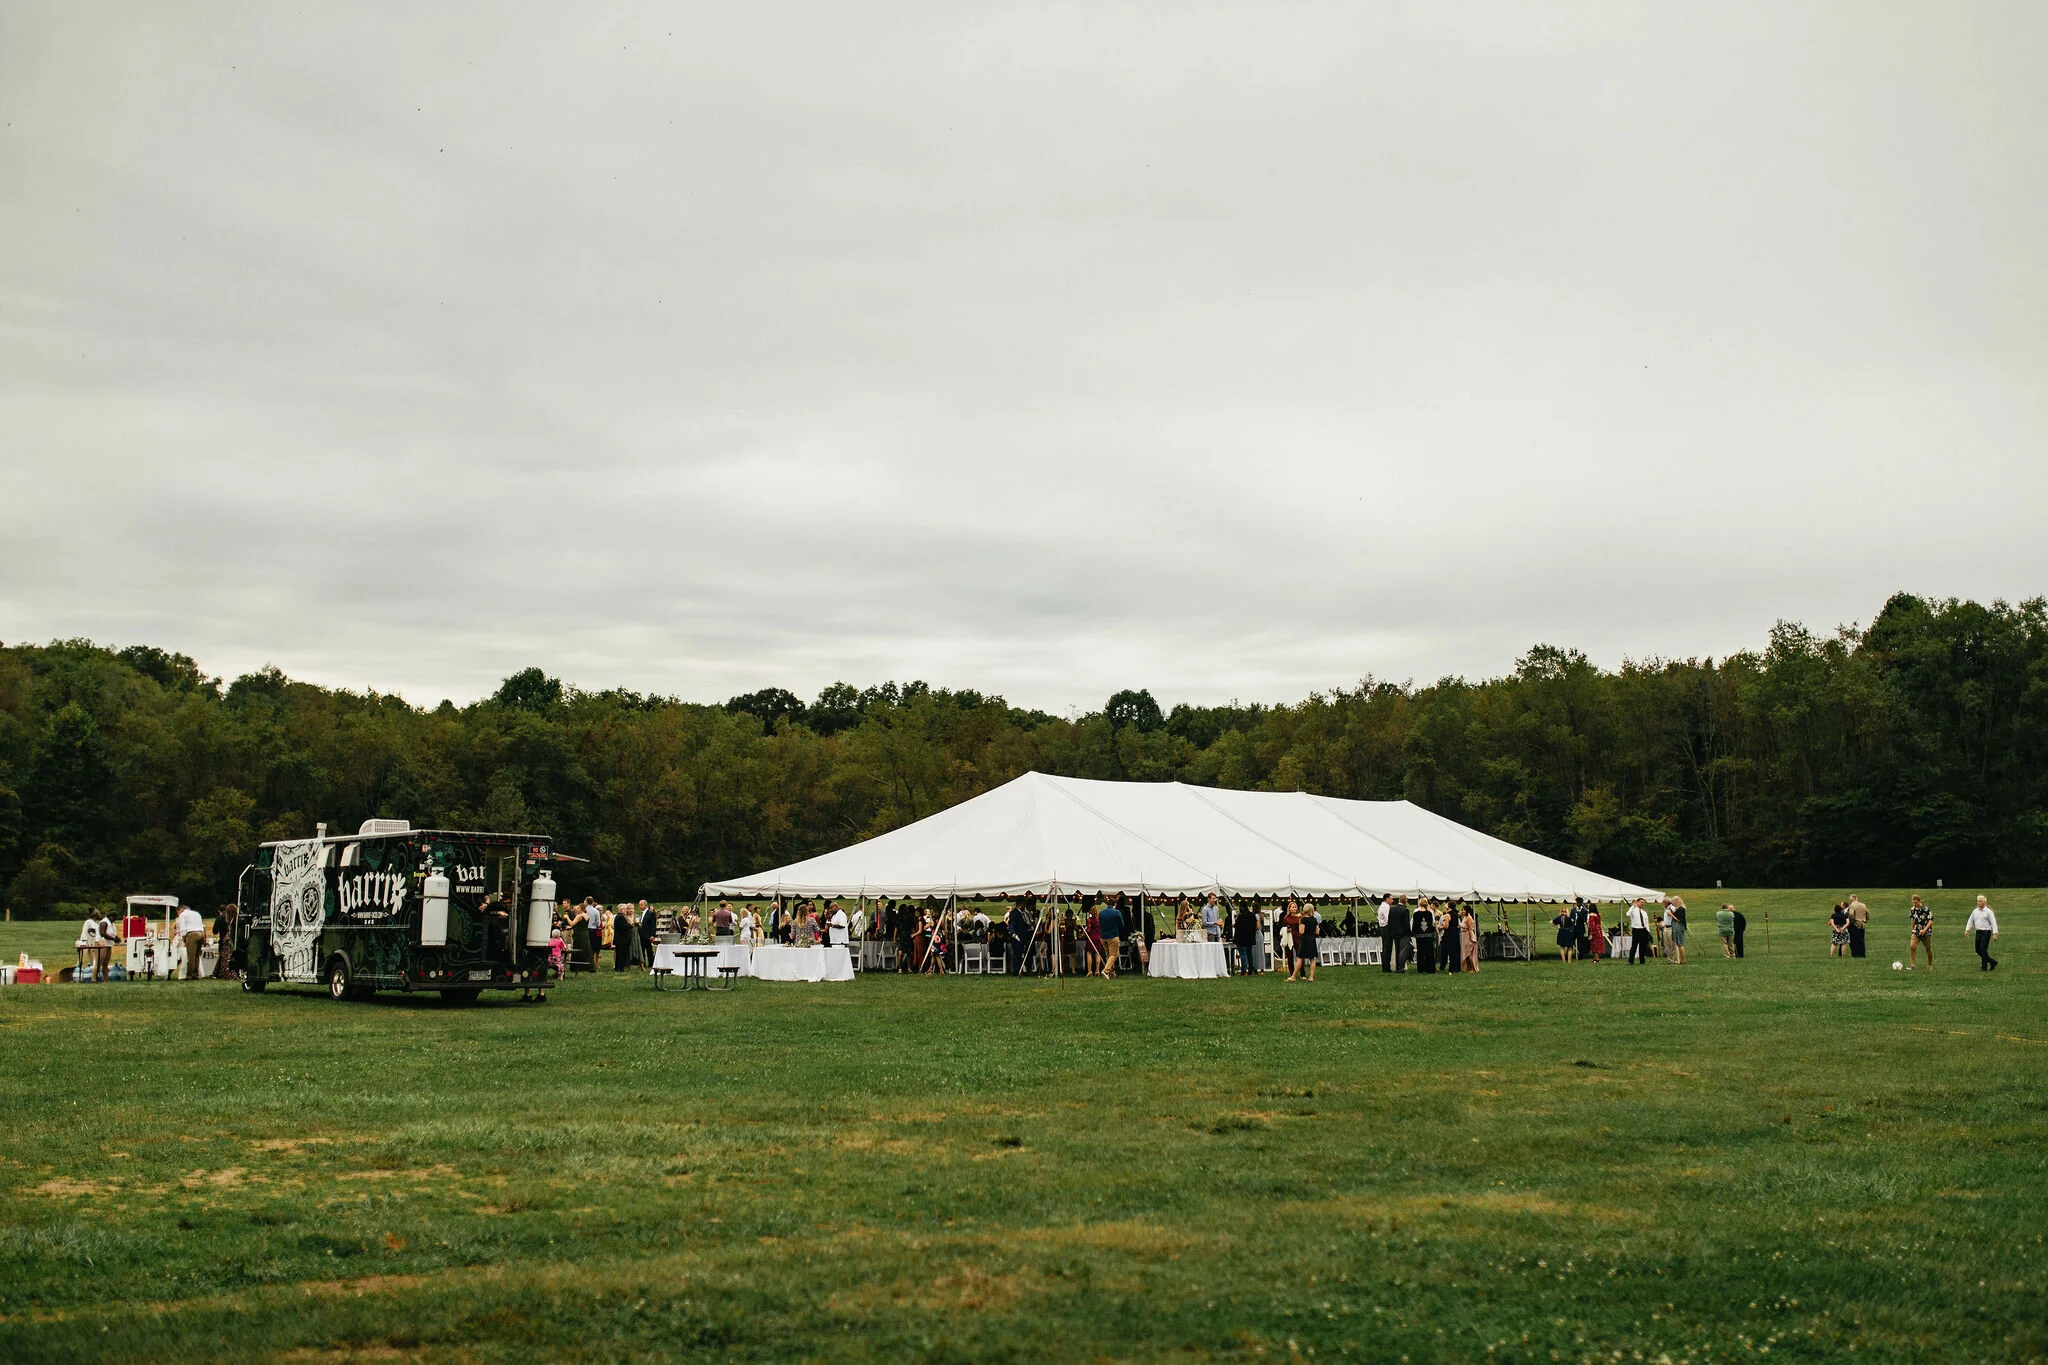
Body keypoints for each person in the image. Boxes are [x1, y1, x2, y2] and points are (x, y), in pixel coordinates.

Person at [1964, 896, 1999, 971]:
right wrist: (1967, 930)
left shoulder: (1988, 912)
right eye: (1978, 901)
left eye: (1980, 901)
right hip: (1978, 932)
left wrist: (1995, 934)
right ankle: (1992, 962)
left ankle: (1984, 967)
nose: (1978, 903)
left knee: (1983, 950)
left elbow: (1993, 923)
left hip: (1986, 932)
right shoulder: (1975, 911)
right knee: (1978, 950)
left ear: (1984, 902)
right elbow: (1970, 921)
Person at [175, 903, 207, 980]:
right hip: (201, 933)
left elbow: (182, 928)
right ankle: (195, 974)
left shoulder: (182, 915)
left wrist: (184, 938)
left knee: (191, 956)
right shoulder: (197, 913)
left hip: (192, 933)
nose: (178, 914)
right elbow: (202, 925)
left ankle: (189, 975)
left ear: (181, 910)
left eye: (178, 912)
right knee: (197, 956)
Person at [1097, 895, 1124, 978]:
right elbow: (1121, 925)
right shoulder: (1117, 912)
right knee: (1114, 955)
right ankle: (1106, 970)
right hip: (1113, 936)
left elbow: (1099, 923)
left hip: (1103, 937)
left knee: (1108, 955)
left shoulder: (1101, 912)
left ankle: (1112, 973)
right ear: (1114, 904)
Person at [76, 909, 105, 982]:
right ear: (95, 915)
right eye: (98, 914)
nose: (100, 915)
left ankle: (90, 976)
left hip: (92, 944)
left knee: (93, 961)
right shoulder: (89, 922)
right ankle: (77, 975)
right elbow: (86, 932)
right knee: (81, 960)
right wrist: (83, 942)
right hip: (84, 942)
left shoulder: (96, 923)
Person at [1294, 902, 1320, 982]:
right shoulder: (1314, 919)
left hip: (1305, 939)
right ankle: (1311, 977)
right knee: (1312, 959)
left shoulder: (1303, 919)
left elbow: (1301, 931)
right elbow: (1317, 932)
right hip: (1312, 939)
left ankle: (1293, 976)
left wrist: (1299, 923)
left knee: (1300, 958)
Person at [1907, 895, 1933, 970]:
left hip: (1926, 932)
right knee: (1912, 946)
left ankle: (1929, 965)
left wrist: (1924, 930)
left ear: (1919, 901)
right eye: (1913, 903)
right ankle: (1912, 965)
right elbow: (1912, 920)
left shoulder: (1926, 909)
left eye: (1915, 903)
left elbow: (1931, 921)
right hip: (1916, 931)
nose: (1914, 904)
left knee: (1928, 949)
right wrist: (1912, 930)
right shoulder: (1912, 909)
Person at [1388, 896, 1413, 973]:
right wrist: (1409, 933)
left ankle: (1396, 966)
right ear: (1405, 901)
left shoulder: (1392, 909)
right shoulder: (1405, 910)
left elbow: (1389, 921)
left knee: (1397, 950)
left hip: (1394, 933)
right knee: (1403, 951)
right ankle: (1401, 968)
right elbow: (1406, 923)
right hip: (1403, 933)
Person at [1412, 901, 1437, 974]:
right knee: (1429, 952)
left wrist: (1414, 933)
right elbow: (1432, 923)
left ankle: (1421, 968)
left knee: (1420, 952)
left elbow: (1415, 924)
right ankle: (1431, 968)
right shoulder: (1429, 913)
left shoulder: (1416, 914)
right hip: (1428, 934)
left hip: (1419, 935)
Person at [1625, 899, 1652, 965]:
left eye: (1643, 902)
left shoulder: (1644, 912)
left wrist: (1648, 931)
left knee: (1643, 946)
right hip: (1636, 929)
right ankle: (1631, 961)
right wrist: (1633, 906)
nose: (1642, 904)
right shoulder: (1633, 910)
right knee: (1634, 946)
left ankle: (1642, 961)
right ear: (1637, 902)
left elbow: (1646, 922)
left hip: (1644, 930)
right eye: (1641, 902)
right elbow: (1627, 914)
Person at [1441, 899, 1464, 973]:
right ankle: (1457, 967)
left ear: (1449, 906)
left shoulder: (1448, 915)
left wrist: (1443, 924)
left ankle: (1452, 968)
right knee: (1456, 950)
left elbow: (1446, 926)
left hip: (1449, 934)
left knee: (1451, 951)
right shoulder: (1456, 914)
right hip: (1455, 933)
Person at [1846, 893, 1870, 959]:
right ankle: (1862, 954)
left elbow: (1851, 914)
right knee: (1861, 940)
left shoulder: (1852, 905)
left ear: (1851, 899)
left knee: (1854, 940)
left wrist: (1850, 921)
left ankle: (1856, 955)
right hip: (1863, 924)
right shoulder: (1863, 905)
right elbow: (1868, 913)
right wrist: (1865, 920)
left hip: (1855, 924)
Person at [1668, 896, 1688, 965]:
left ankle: (1683, 960)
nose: (1672, 903)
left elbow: (1679, 919)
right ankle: (1681, 959)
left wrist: (1671, 915)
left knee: (1680, 943)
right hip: (1676, 926)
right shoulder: (1677, 909)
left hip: (1679, 926)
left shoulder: (1681, 909)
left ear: (1677, 901)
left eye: (1673, 901)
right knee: (1678, 943)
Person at [1459, 904, 1480, 973]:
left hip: (1467, 936)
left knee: (1469, 952)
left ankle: (1472, 968)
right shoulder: (1464, 917)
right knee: (1465, 952)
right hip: (1463, 936)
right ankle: (1467, 968)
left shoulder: (1469, 918)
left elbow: (1470, 928)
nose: (1463, 911)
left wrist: (1472, 938)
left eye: (1464, 910)